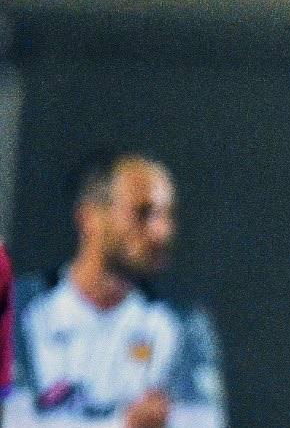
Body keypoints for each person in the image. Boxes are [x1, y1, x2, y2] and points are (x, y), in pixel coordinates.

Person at [6, 152, 226, 427]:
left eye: (167, 215)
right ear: (88, 218)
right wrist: (123, 423)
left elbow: (203, 421)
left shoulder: (181, 325)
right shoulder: (19, 309)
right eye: (143, 213)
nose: (162, 231)